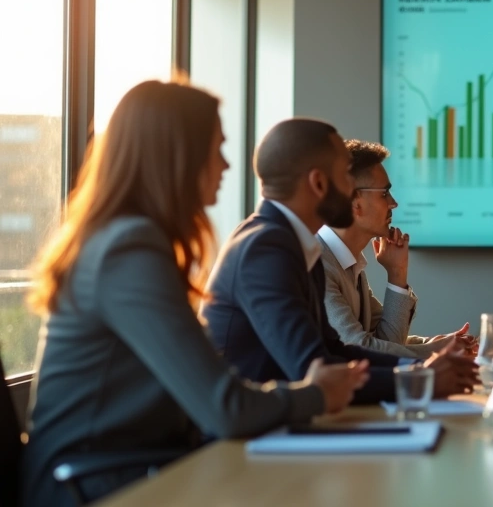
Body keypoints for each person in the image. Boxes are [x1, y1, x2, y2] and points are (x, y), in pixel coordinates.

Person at [21, 82, 366, 507]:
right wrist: (314, 394)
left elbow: (214, 391)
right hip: (94, 486)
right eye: (215, 148)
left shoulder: (131, 241)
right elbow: (223, 406)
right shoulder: (127, 250)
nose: (225, 164)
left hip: (133, 470)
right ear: (178, 156)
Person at [200, 119, 479, 403]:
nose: (351, 191)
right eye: (345, 176)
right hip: (242, 441)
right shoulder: (266, 249)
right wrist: (420, 378)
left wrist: (416, 369)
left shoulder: (292, 243)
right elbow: (313, 368)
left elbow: (336, 351)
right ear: (319, 183)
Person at [317, 139, 476, 358]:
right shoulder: (318, 264)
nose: (394, 203)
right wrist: (437, 350)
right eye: (384, 193)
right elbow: (361, 350)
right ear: (355, 201)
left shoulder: (347, 262)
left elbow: (385, 341)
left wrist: (397, 274)